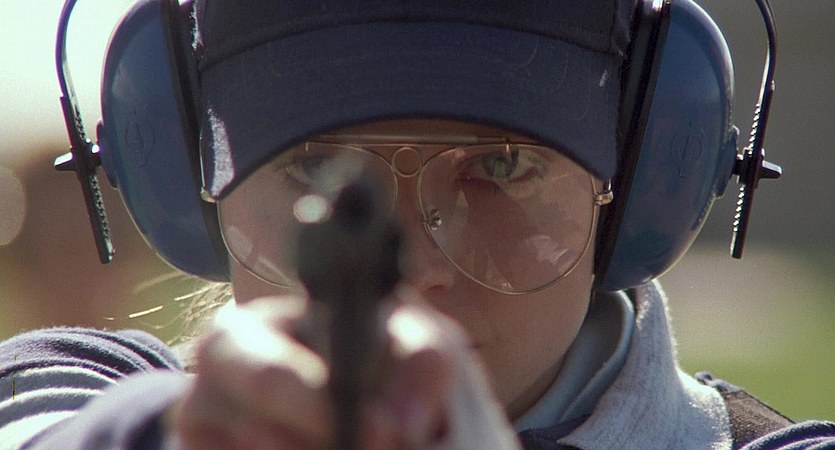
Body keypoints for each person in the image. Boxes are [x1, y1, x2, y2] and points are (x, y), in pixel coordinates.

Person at [2, 0, 834, 449]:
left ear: (640, 184)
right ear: (193, 191)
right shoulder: (86, 387)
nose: (412, 273)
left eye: (500, 166)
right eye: (316, 168)